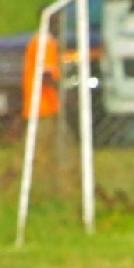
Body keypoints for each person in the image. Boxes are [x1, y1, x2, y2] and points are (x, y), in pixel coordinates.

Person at [21, 11, 61, 165]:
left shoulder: (40, 41)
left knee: (42, 146)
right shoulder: (45, 43)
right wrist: (63, 91)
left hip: (42, 103)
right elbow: (47, 74)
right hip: (42, 104)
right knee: (37, 148)